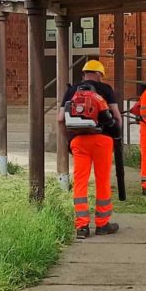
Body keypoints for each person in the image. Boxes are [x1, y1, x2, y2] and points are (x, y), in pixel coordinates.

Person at [58, 59, 123, 239]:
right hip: (102, 140)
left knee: (80, 182)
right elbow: (117, 117)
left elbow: (60, 119)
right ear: (100, 75)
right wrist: (117, 136)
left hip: (79, 141)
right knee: (102, 181)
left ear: (84, 74)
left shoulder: (71, 91)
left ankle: (82, 227)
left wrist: (69, 141)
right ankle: (102, 224)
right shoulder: (105, 89)